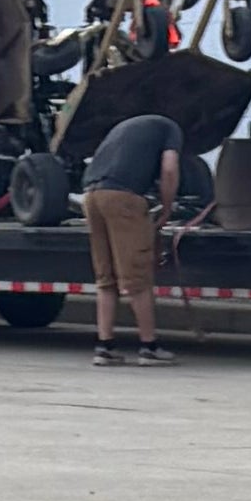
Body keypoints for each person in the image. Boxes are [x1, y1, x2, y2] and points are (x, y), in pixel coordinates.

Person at [83, 108, 183, 362]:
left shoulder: (126, 127)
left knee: (106, 278)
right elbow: (169, 169)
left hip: (91, 195)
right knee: (137, 276)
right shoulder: (170, 127)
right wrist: (167, 208)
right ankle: (149, 347)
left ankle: (104, 347)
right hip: (123, 197)